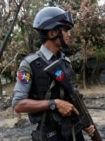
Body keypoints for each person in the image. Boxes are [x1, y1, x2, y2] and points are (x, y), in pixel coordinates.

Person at [12, 6, 95, 141]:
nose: (69, 34)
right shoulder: (30, 64)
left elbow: (71, 98)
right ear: (51, 33)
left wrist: (84, 122)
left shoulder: (66, 62)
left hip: (73, 133)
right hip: (50, 136)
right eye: (66, 30)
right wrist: (54, 103)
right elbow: (18, 105)